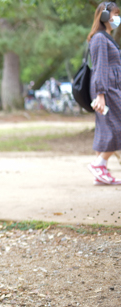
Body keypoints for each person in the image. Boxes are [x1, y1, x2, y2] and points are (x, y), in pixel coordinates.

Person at [88, 2, 121, 185]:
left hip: (110, 88)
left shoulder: (106, 38)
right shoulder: (100, 38)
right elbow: (100, 67)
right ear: (105, 16)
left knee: (104, 128)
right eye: (114, 14)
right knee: (116, 126)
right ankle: (99, 164)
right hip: (107, 90)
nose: (117, 18)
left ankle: (100, 174)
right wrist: (101, 94)